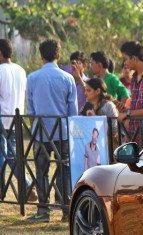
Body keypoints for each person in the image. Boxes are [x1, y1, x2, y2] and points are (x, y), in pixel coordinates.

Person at [26, 39, 78, 222]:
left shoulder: (32, 78)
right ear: (58, 54)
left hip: (41, 132)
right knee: (64, 168)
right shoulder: (68, 78)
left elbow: (31, 111)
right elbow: (73, 112)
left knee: (41, 170)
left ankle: (43, 210)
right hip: (62, 132)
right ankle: (65, 208)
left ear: (41, 56)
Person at [0, 38, 33, 200]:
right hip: (15, 119)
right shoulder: (20, 70)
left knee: (4, 157)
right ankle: (27, 185)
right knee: (11, 156)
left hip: (2, 119)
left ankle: (4, 191)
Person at [81, 78, 119, 147]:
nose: (85, 93)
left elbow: (114, 130)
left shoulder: (108, 105)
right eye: (85, 90)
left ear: (98, 91)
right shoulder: (87, 105)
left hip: (107, 147)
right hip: (91, 147)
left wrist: (96, 118)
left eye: (88, 90)